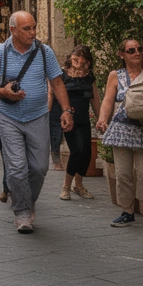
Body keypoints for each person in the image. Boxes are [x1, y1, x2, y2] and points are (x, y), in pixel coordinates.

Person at [0, 11, 71, 233]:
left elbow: (57, 82)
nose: (33, 32)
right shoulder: (0, 53)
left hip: (38, 116)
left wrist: (66, 110)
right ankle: (22, 213)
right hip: (9, 117)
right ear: (13, 30)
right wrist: (3, 92)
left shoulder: (44, 51)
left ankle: (27, 201)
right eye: (27, 29)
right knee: (16, 168)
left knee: (39, 168)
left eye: (33, 27)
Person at [97, 40, 143, 232]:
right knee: (123, 173)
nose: (137, 53)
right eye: (131, 50)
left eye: (140, 49)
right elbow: (108, 100)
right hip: (121, 129)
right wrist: (102, 119)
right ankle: (127, 212)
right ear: (122, 54)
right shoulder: (115, 76)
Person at [58, 46, 97, 201]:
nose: (78, 59)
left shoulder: (89, 76)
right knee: (77, 151)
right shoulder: (63, 75)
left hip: (84, 118)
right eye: (76, 55)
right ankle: (66, 186)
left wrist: (101, 118)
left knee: (87, 153)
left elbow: (95, 98)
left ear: (87, 61)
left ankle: (78, 185)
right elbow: (53, 94)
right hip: (68, 118)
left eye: (82, 57)